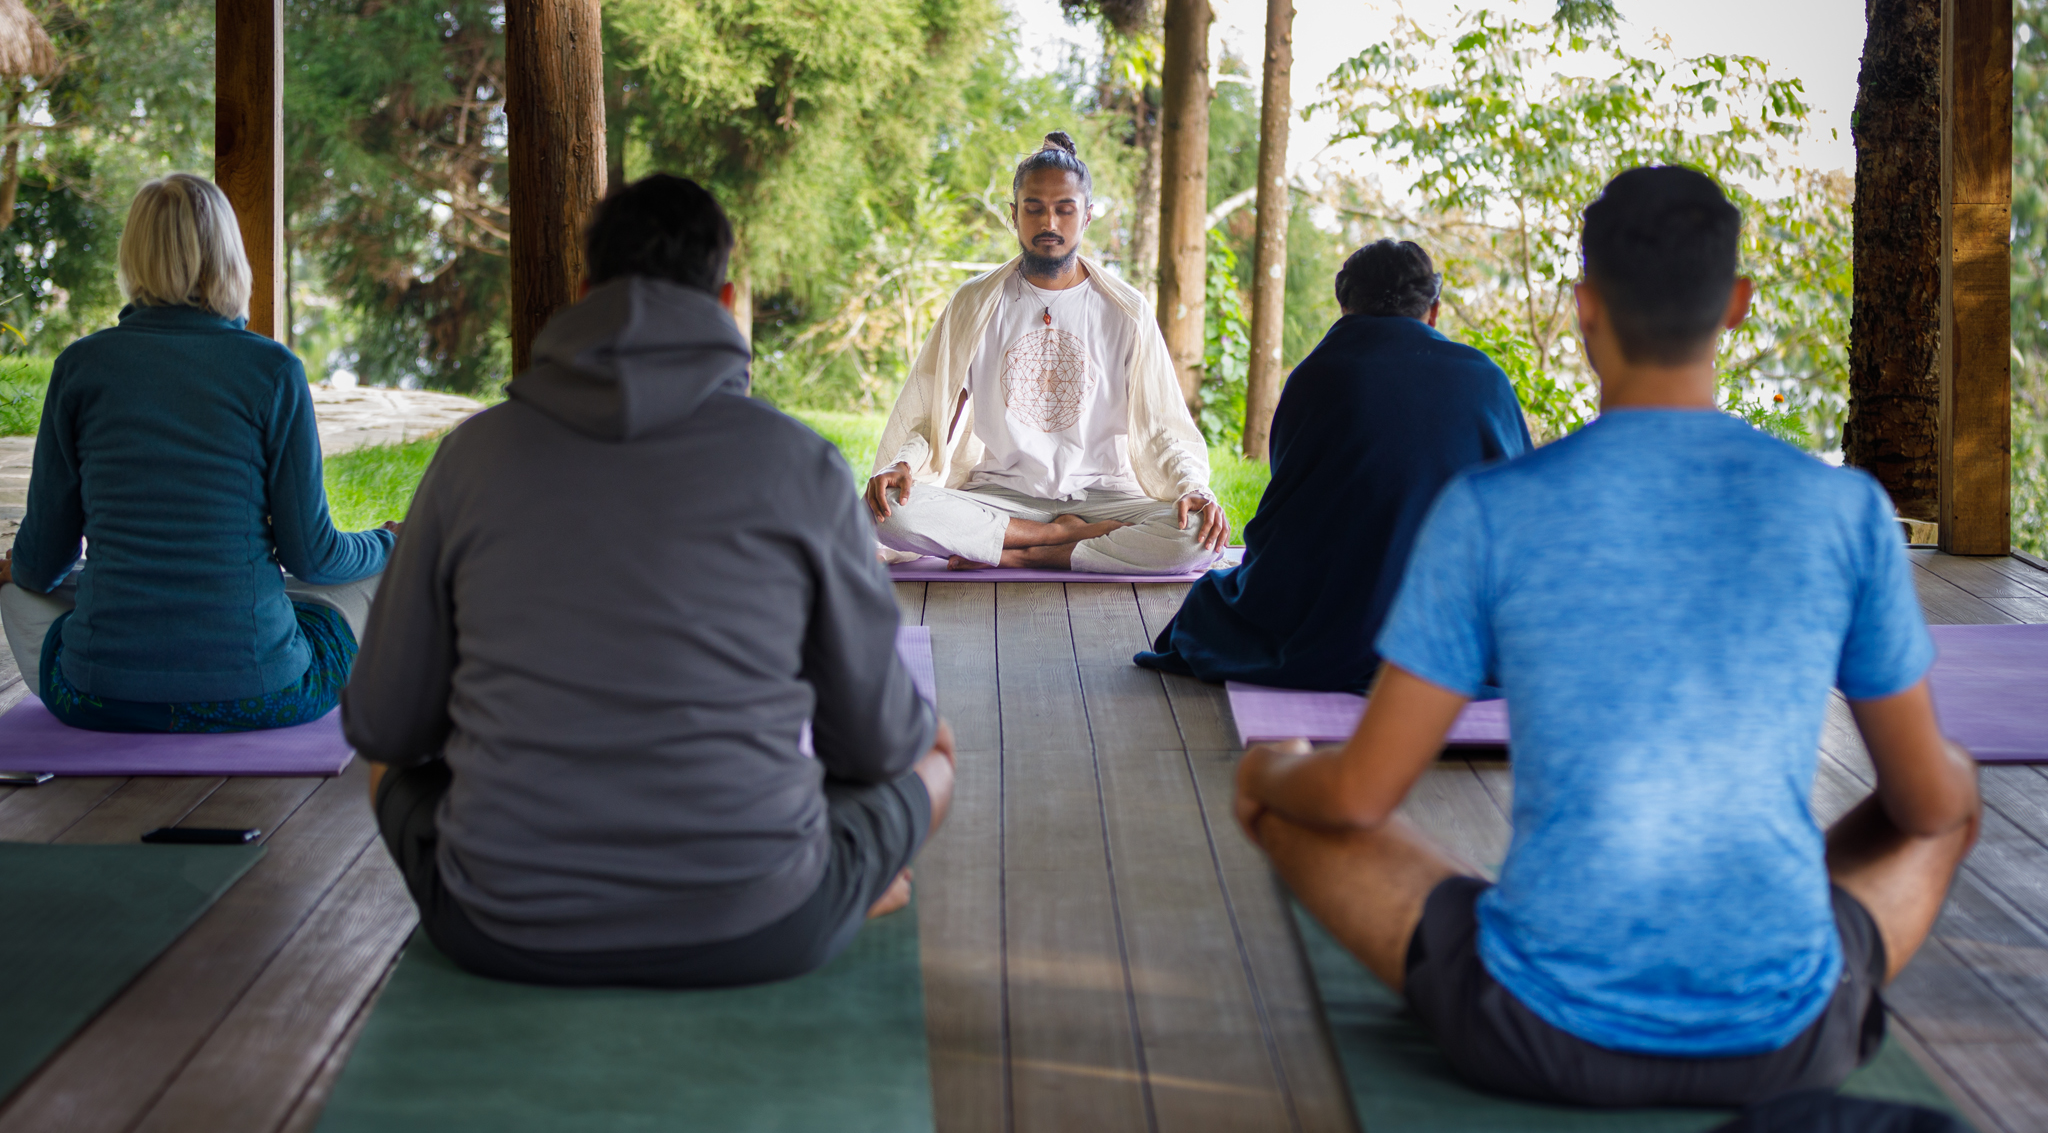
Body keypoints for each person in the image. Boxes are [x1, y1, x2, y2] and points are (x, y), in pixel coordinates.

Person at [1234, 165, 1980, 1108]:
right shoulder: (1845, 510)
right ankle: (1761, 946)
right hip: (1793, 1038)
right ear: (1738, 306)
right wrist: (1953, 777)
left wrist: (1273, 770)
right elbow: (1923, 804)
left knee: (1292, 803)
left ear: (1585, 306)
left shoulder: (1492, 509)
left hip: (1531, 1031)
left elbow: (1357, 794)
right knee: (1949, 794)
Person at [344, 173, 954, 989]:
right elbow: (876, 742)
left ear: (587, 293)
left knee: (389, 771)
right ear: (727, 297)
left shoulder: (474, 457)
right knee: (934, 752)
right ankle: (846, 889)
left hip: (499, 925)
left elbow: (384, 724)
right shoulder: (798, 463)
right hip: (762, 922)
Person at [0, 174, 391, 733]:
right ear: (230, 257)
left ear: (133, 255)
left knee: (15, 589)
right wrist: (391, 541)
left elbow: (42, 564)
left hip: (99, 697)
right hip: (260, 695)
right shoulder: (273, 371)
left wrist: (20, 570)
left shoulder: (80, 368)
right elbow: (314, 558)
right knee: (377, 576)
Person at [1136, 239, 1530, 691]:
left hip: (1341, 619)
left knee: (1209, 605)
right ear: (1434, 310)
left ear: (1345, 305)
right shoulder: (1486, 378)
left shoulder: (1317, 375)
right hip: (1462, 627)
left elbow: (1293, 513)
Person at [866, 132, 1228, 573]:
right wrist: (903, 463)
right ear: (1014, 215)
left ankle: (1019, 553)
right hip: (1001, 498)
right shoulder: (975, 302)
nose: (1049, 223)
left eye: (1064, 209)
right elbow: (935, 414)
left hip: (1105, 498)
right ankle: (1060, 538)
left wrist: (1193, 486)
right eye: (1034, 208)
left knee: (1197, 537)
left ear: (1088, 216)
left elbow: (1162, 427)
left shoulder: (1125, 310)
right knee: (887, 509)